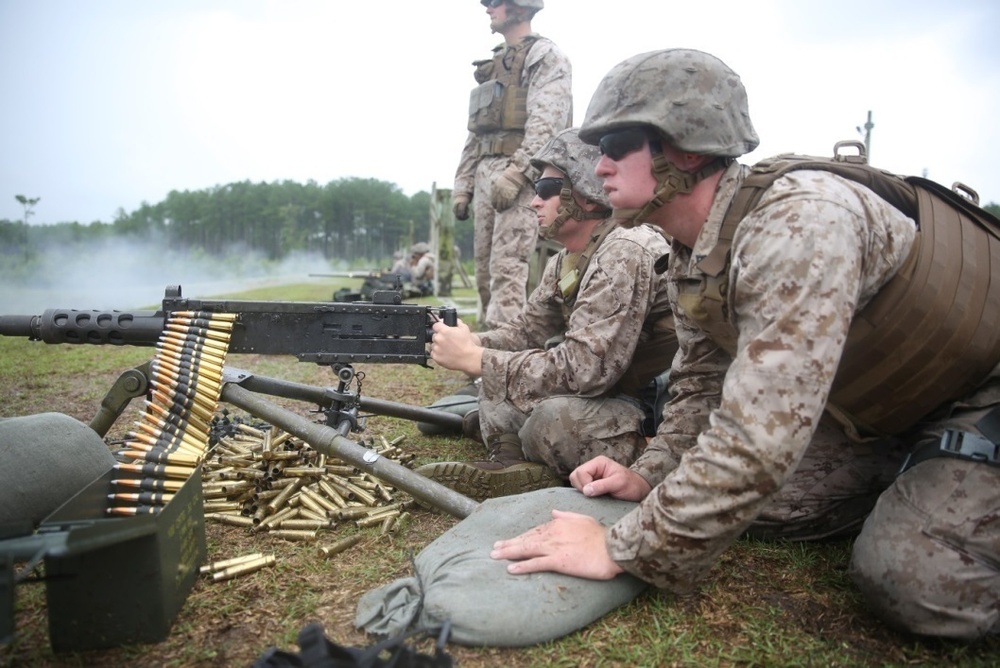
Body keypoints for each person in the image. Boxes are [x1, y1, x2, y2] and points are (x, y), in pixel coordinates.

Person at [489, 49, 1000, 640]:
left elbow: (759, 436)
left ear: (685, 149)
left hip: (977, 392)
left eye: (617, 143)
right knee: (756, 506)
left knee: (917, 580)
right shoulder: (696, 247)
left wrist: (624, 547)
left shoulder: (799, 222)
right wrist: (650, 475)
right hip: (885, 410)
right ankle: (922, 484)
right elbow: (704, 383)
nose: (597, 165)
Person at [420, 128, 675, 501]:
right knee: (498, 380)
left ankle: (634, 456)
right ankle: (512, 459)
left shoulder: (626, 248)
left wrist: (479, 359)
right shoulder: (565, 260)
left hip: (654, 406)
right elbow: (527, 331)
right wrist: (474, 343)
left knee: (554, 419)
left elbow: (587, 371)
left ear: (585, 194)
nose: (534, 202)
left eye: (544, 190)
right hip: (612, 394)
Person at [451, 0, 572, 330]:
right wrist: (463, 185)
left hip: (520, 174)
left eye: (495, 2)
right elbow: (476, 132)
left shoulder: (545, 56)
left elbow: (547, 123)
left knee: (508, 270)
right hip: (487, 172)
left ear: (519, 6)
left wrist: (518, 173)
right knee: (485, 272)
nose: (487, 7)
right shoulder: (494, 65)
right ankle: (490, 352)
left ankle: (501, 362)